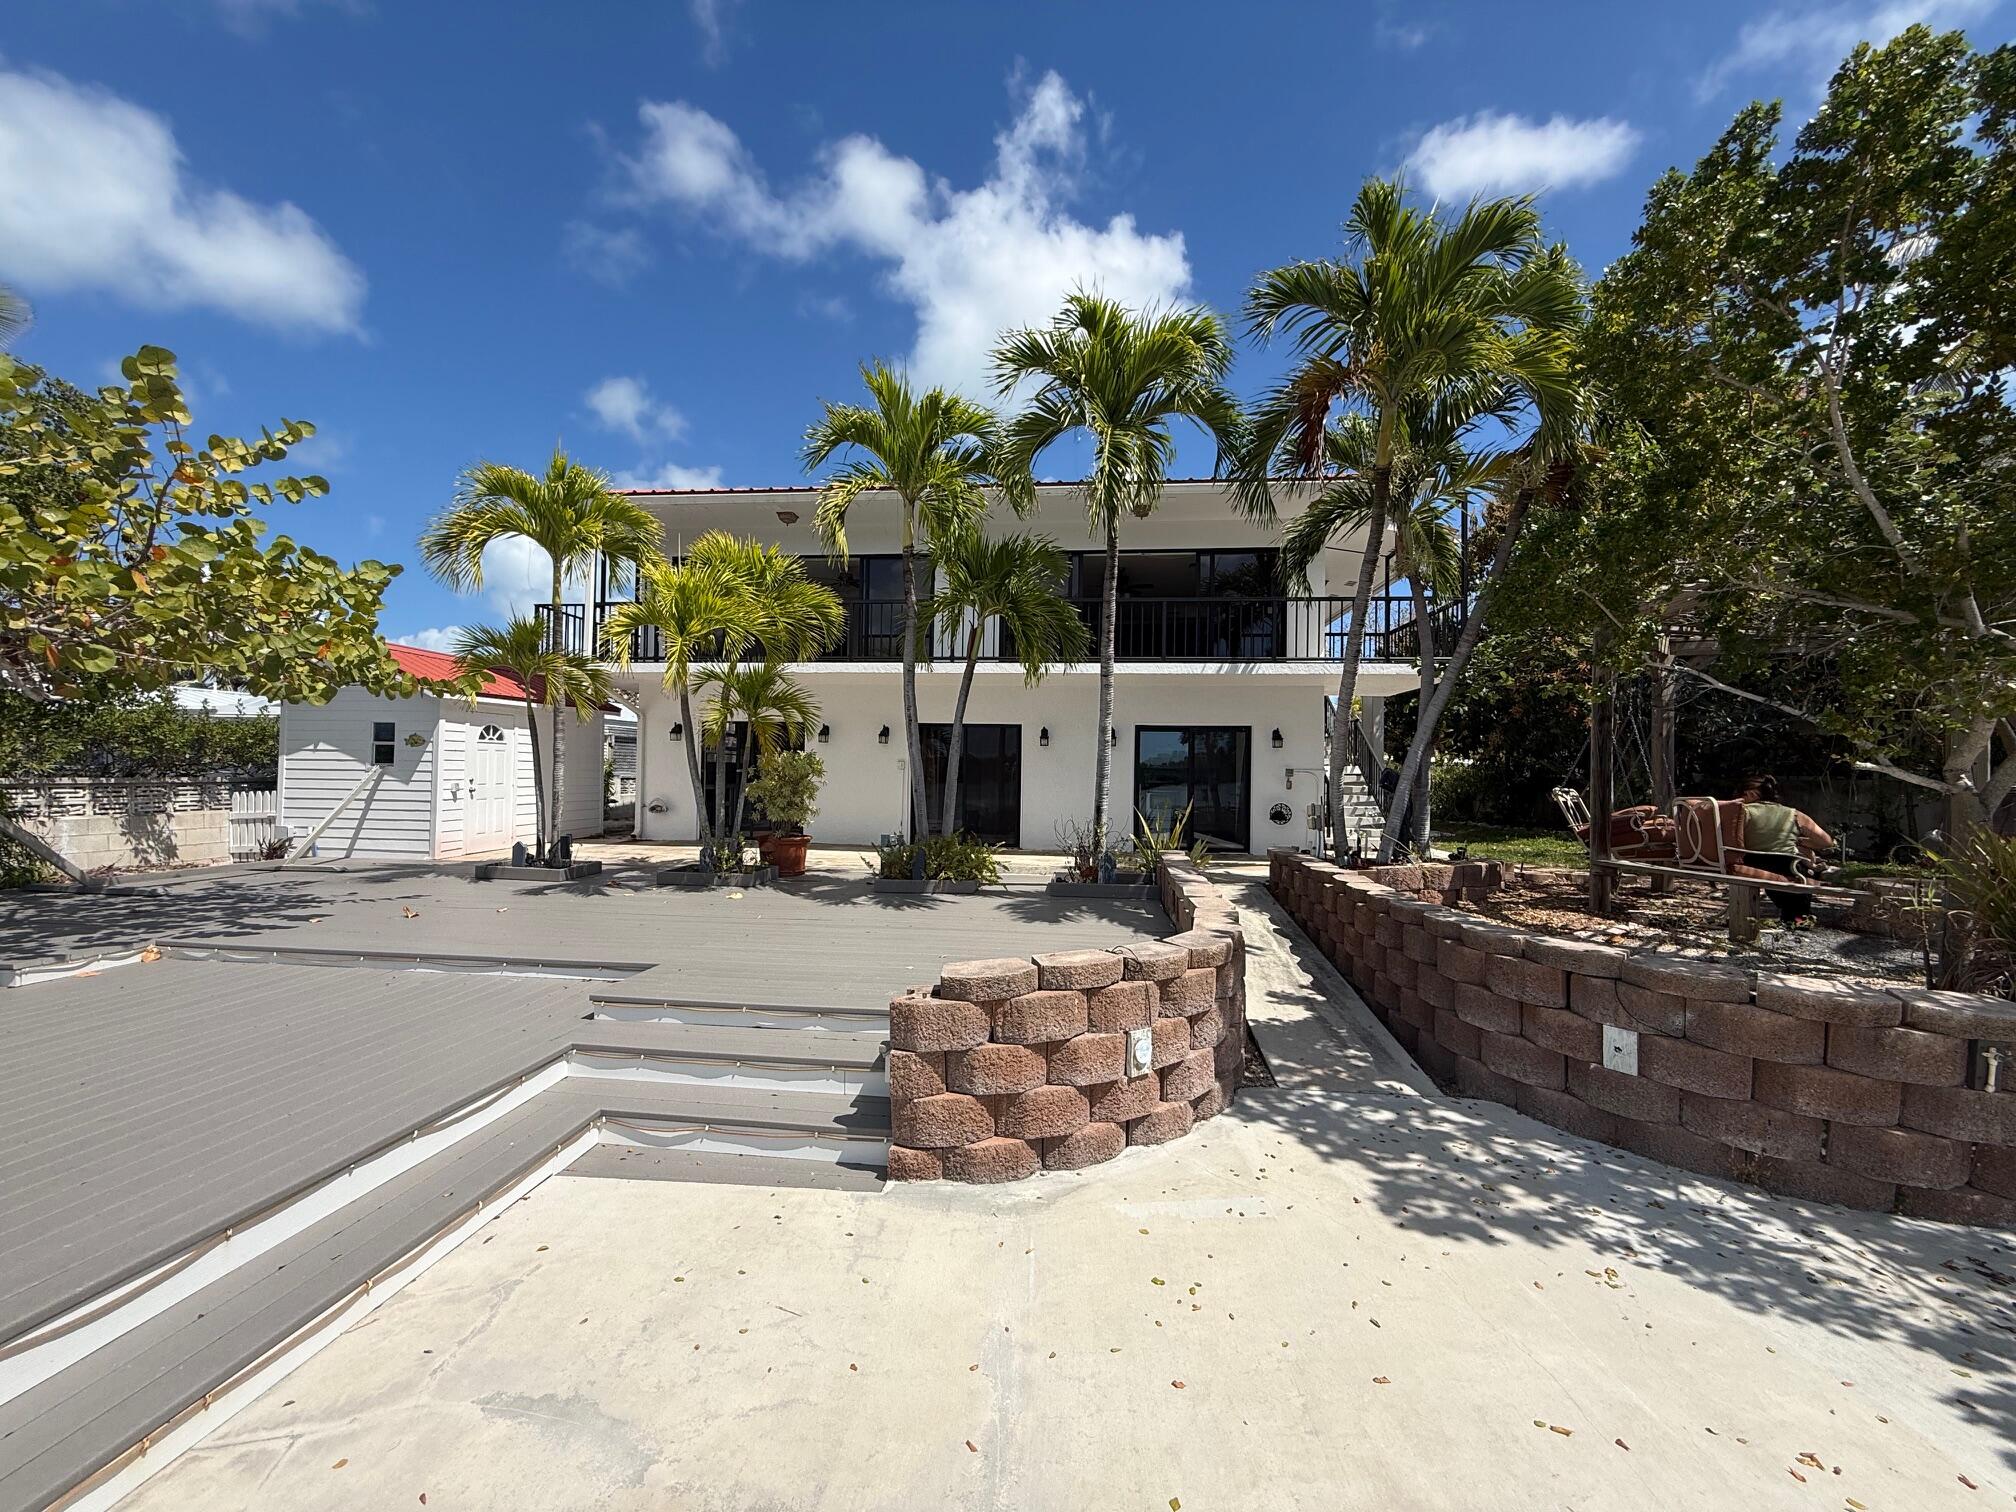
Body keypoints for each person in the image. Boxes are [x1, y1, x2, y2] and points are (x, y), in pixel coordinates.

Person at [1738, 775, 1834, 927]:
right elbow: (1826, 842)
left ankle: (1794, 919)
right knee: (1803, 871)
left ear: (1751, 793)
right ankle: (1798, 919)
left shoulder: (1741, 812)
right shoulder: (1793, 814)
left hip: (1752, 861)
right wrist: (1799, 841)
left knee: (1787, 875)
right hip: (1787, 864)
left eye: (1743, 794)